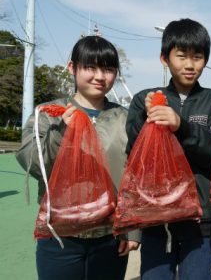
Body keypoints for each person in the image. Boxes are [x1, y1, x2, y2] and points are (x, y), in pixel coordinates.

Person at [16, 35, 139, 280]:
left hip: (110, 236)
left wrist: (133, 230)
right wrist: (62, 131)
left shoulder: (126, 118)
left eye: (108, 69)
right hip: (59, 235)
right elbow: (32, 161)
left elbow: (135, 176)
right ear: (72, 68)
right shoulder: (48, 114)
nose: (100, 76)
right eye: (90, 67)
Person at [126, 18, 211, 280]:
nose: (190, 64)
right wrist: (144, 118)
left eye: (197, 57)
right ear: (164, 58)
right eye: (181, 56)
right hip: (156, 218)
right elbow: (134, 153)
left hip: (202, 220)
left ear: (205, 60)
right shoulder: (143, 99)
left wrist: (180, 126)